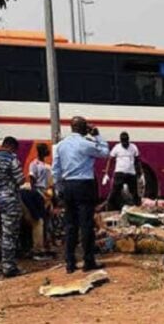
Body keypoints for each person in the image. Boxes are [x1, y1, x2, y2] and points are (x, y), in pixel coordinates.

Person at [52, 117, 110, 273]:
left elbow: (56, 170)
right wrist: (97, 135)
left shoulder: (60, 145)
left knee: (70, 226)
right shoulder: (85, 144)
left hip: (68, 185)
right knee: (86, 225)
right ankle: (88, 261)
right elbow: (105, 153)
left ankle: (70, 263)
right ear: (84, 128)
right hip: (84, 185)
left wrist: (59, 189)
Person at [0, 137, 25, 277]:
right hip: (10, 200)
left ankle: (5, 264)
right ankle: (9, 267)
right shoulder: (12, 159)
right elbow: (20, 179)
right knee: (10, 234)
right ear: (12, 147)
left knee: (1, 234)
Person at [103, 132, 143, 210]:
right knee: (115, 191)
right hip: (119, 173)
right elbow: (110, 160)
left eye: (126, 142)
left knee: (134, 192)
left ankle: (138, 208)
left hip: (131, 173)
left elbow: (137, 161)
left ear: (128, 140)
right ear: (121, 141)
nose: (125, 144)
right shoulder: (117, 147)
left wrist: (141, 174)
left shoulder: (133, 147)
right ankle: (109, 207)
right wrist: (106, 173)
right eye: (123, 142)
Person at [29, 143, 54, 254]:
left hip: (47, 193)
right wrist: (35, 193)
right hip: (39, 193)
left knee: (48, 219)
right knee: (41, 219)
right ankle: (40, 245)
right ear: (42, 151)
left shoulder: (46, 165)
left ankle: (47, 243)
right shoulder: (34, 164)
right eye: (46, 150)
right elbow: (32, 179)